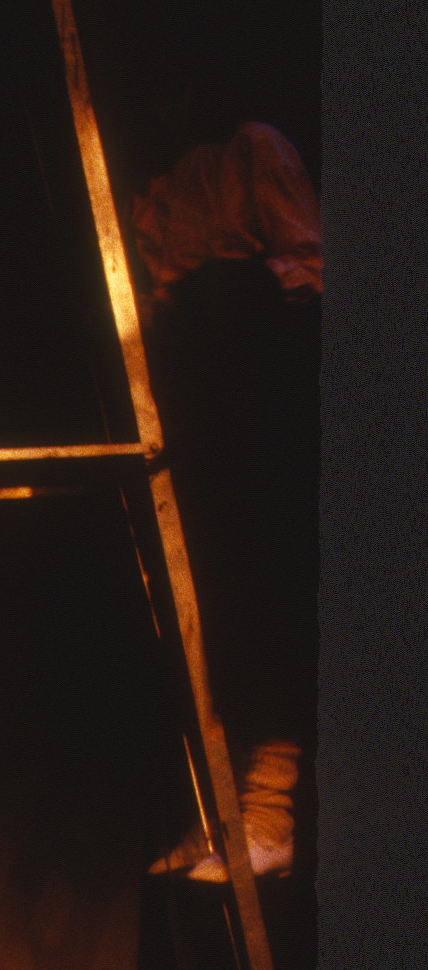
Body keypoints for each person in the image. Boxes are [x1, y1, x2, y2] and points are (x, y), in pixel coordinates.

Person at [126, 58, 321, 886]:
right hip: (195, 404)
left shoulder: (253, 148)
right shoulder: (160, 190)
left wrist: (226, 295)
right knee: (207, 614)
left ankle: (270, 816)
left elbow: (309, 267)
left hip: (262, 395)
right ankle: (219, 816)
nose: (171, 103)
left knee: (268, 608)